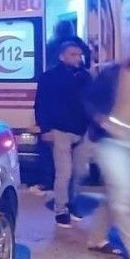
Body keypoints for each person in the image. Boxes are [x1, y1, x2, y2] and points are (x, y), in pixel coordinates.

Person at [84, 34, 130, 259]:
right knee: (126, 195)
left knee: (114, 194)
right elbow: (87, 99)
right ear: (129, 49)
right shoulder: (112, 74)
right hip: (110, 142)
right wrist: (98, 118)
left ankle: (96, 238)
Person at [34, 40, 92, 227]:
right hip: (60, 130)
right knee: (64, 173)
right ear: (62, 56)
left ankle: (72, 202)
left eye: (79, 55)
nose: (78, 58)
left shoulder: (84, 76)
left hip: (81, 130)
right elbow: (41, 104)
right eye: (73, 54)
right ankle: (61, 208)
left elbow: (91, 101)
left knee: (80, 171)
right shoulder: (49, 77)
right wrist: (45, 129)